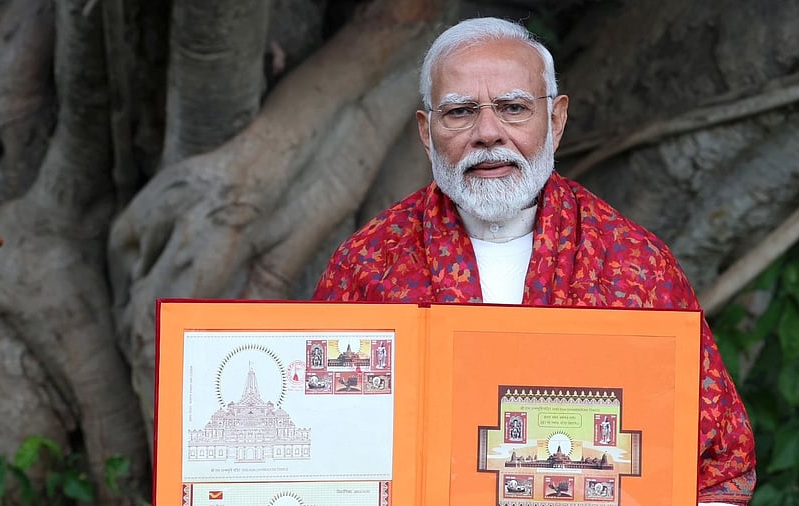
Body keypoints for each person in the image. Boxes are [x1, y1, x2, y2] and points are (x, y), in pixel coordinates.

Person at [313, 17, 755, 505]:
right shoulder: (370, 262)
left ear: (557, 120)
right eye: (460, 112)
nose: (487, 134)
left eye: (513, 108)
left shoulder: (634, 265)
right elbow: (325, 448)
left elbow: (718, 466)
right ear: (426, 130)